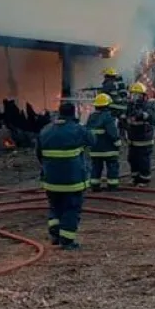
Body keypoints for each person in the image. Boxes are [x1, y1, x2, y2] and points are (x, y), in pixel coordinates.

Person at [36, 102, 95, 250]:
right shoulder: (77, 129)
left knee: (55, 207)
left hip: (51, 180)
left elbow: (39, 154)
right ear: (73, 113)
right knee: (71, 208)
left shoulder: (45, 130)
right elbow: (93, 140)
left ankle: (55, 235)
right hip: (72, 180)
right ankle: (67, 241)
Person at [123, 82, 155, 187]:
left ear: (144, 96)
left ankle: (144, 179)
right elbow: (126, 120)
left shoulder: (149, 105)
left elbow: (152, 118)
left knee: (143, 159)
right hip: (133, 139)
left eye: (138, 95)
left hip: (144, 139)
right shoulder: (130, 106)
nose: (135, 98)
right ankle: (135, 178)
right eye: (133, 95)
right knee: (132, 159)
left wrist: (142, 114)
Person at [86, 93, 121, 192]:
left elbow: (87, 131)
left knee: (96, 167)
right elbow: (112, 131)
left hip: (95, 149)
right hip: (109, 149)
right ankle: (112, 186)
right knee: (112, 166)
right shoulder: (108, 117)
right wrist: (117, 141)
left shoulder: (91, 117)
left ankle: (95, 186)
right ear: (107, 105)